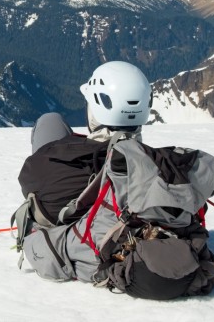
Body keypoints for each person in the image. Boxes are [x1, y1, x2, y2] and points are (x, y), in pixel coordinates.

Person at [18, 60, 153, 282]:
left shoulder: (58, 163)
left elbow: (28, 181)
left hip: (71, 219)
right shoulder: (152, 165)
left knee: (50, 121)